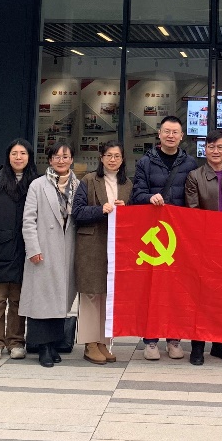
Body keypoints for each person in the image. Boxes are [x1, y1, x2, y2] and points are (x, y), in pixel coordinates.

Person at [131, 114, 197, 361]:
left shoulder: (190, 163)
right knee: (151, 289)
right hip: (153, 235)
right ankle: (150, 340)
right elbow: (136, 195)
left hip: (179, 236)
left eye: (175, 132)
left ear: (181, 136)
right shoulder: (145, 162)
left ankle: (174, 338)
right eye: (166, 131)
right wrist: (149, 197)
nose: (170, 136)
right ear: (159, 134)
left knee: (177, 289)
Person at [184, 129, 222, 366]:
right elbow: (193, 212)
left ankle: (219, 343)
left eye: (220, 147)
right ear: (205, 149)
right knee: (199, 296)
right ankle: (197, 346)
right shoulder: (194, 176)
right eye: (211, 147)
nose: (215, 151)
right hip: (202, 245)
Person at [21, 140, 79, 368]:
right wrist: (33, 248)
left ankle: (54, 343)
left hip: (67, 249)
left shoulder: (78, 185)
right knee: (42, 300)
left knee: (60, 300)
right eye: (56, 157)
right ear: (50, 160)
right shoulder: (38, 185)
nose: (61, 161)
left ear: (71, 159)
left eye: (65, 157)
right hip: (44, 249)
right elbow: (29, 219)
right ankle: (42, 347)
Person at [72, 140, 131, 366]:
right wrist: (100, 210)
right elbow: (77, 212)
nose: (113, 160)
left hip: (115, 246)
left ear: (122, 160)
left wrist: (126, 211)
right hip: (91, 245)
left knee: (108, 295)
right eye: (109, 156)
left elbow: (136, 217)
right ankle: (90, 343)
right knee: (90, 294)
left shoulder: (128, 184)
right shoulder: (88, 180)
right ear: (101, 158)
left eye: (117, 156)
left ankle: (103, 342)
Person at [0, 137, 37, 361]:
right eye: (14, 153)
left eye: (23, 153)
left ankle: (16, 341)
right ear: (8, 156)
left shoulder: (35, 182)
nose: (18, 157)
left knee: (18, 300)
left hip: (24, 249)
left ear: (29, 157)